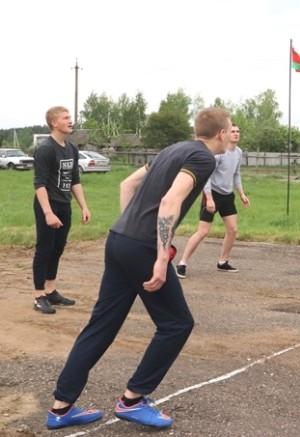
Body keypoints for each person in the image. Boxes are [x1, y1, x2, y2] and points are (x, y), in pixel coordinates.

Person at [45, 108, 231, 431]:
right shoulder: (203, 159)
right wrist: (161, 257)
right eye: (230, 130)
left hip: (119, 239)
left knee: (101, 325)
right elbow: (170, 202)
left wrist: (131, 228)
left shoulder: (172, 150)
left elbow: (126, 185)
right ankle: (132, 400)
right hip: (142, 248)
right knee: (176, 324)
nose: (232, 135)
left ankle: (61, 408)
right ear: (219, 134)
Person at [32, 106, 91, 315]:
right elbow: (39, 184)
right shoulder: (46, 149)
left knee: (58, 248)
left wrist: (83, 206)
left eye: (70, 117)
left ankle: (51, 290)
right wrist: (48, 213)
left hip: (64, 205)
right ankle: (39, 296)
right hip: (48, 205)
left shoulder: (71, 149)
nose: (70, 121)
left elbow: (75, 180)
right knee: (44, 249)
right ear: (54, 122)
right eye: (66, 118)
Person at [175, 122, 249, 278]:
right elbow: (206, 176)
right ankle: (181, 263)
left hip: (227, 195)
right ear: (226, 134)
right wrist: (208, 198)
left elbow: (236, 174)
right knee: (203, 231)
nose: (236, 133)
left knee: (233, 230)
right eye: (233, 131)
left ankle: (223, 262)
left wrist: (241, 194)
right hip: (212, 194)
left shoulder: (238, 152)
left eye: (238, 131)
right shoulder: (219, 153)